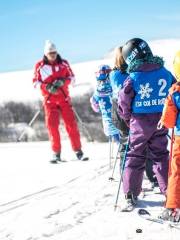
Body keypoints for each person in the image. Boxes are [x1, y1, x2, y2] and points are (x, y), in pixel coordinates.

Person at [118, 38, 174, 211]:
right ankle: (169, 192)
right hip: (161, 121)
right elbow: (174, 92)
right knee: (161, 156)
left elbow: (123, 102)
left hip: (139, 124)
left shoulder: (133, 77)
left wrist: (128, 119)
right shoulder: (165, 72)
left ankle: (130, 194)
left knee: (135, 156)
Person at [33, 40, 87, 163]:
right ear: (46, 53)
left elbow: (72, 78)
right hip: (49, 101)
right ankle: (56, 153)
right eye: (50, 53)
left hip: (64, 99)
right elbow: (35, 83)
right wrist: (46, 87)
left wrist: (63, 81)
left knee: (71, 125)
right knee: (52, 127)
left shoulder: (64, 63)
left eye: (55, 52)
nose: (53, 55)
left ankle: (78, 151)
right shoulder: (39, 65)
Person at [110, 46, 158, 185]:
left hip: (124, 113)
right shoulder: (120, 74)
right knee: (131, 146)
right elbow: (123, 93)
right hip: (125, 113)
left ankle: (135, 178)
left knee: (131, 146)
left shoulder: (120, 73)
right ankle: (130, 179)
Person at [158, 51, 180, 222]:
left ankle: (173, 208)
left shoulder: (174, 92)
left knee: (176, 171)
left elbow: (169, 121)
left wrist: (163, 121)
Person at [90, 65, 120, 143]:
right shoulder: (115, 87)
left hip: (108, 123)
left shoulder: (97, 92)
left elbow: (95, 106)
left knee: (117, 141)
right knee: (124, 140)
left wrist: (100, 108)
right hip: (121, 120)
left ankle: (120, 151)